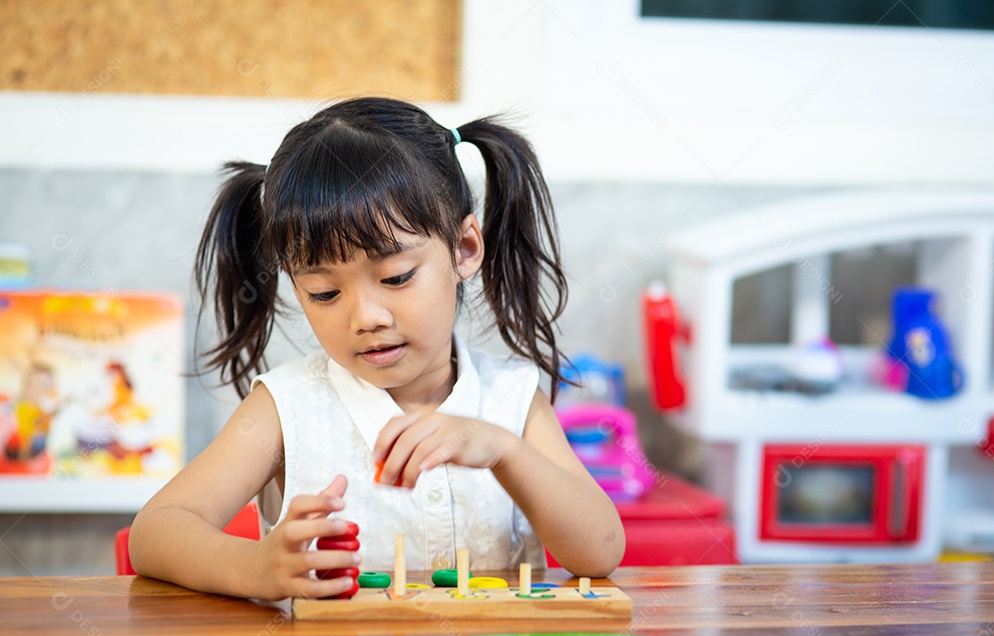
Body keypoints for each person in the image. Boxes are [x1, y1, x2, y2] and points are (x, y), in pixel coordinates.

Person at [129, 97, 626, 600]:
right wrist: (253, 566)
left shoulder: (511, 401)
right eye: (324, 293)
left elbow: (601, 551)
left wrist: (503, 451)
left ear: (465, 249)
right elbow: (156, 532)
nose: (366, 318)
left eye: (396, 277)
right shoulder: (287, 407)